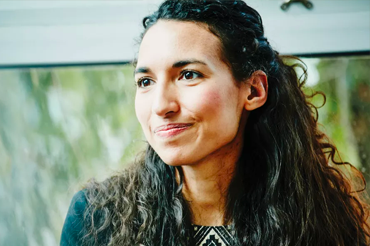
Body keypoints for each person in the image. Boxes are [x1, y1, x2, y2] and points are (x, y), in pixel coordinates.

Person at [60, 0, 370, 245]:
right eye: (145, 82)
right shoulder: (95, 219)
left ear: (253, 90)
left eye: (188, 75)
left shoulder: (324, 219)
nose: (160, 106)